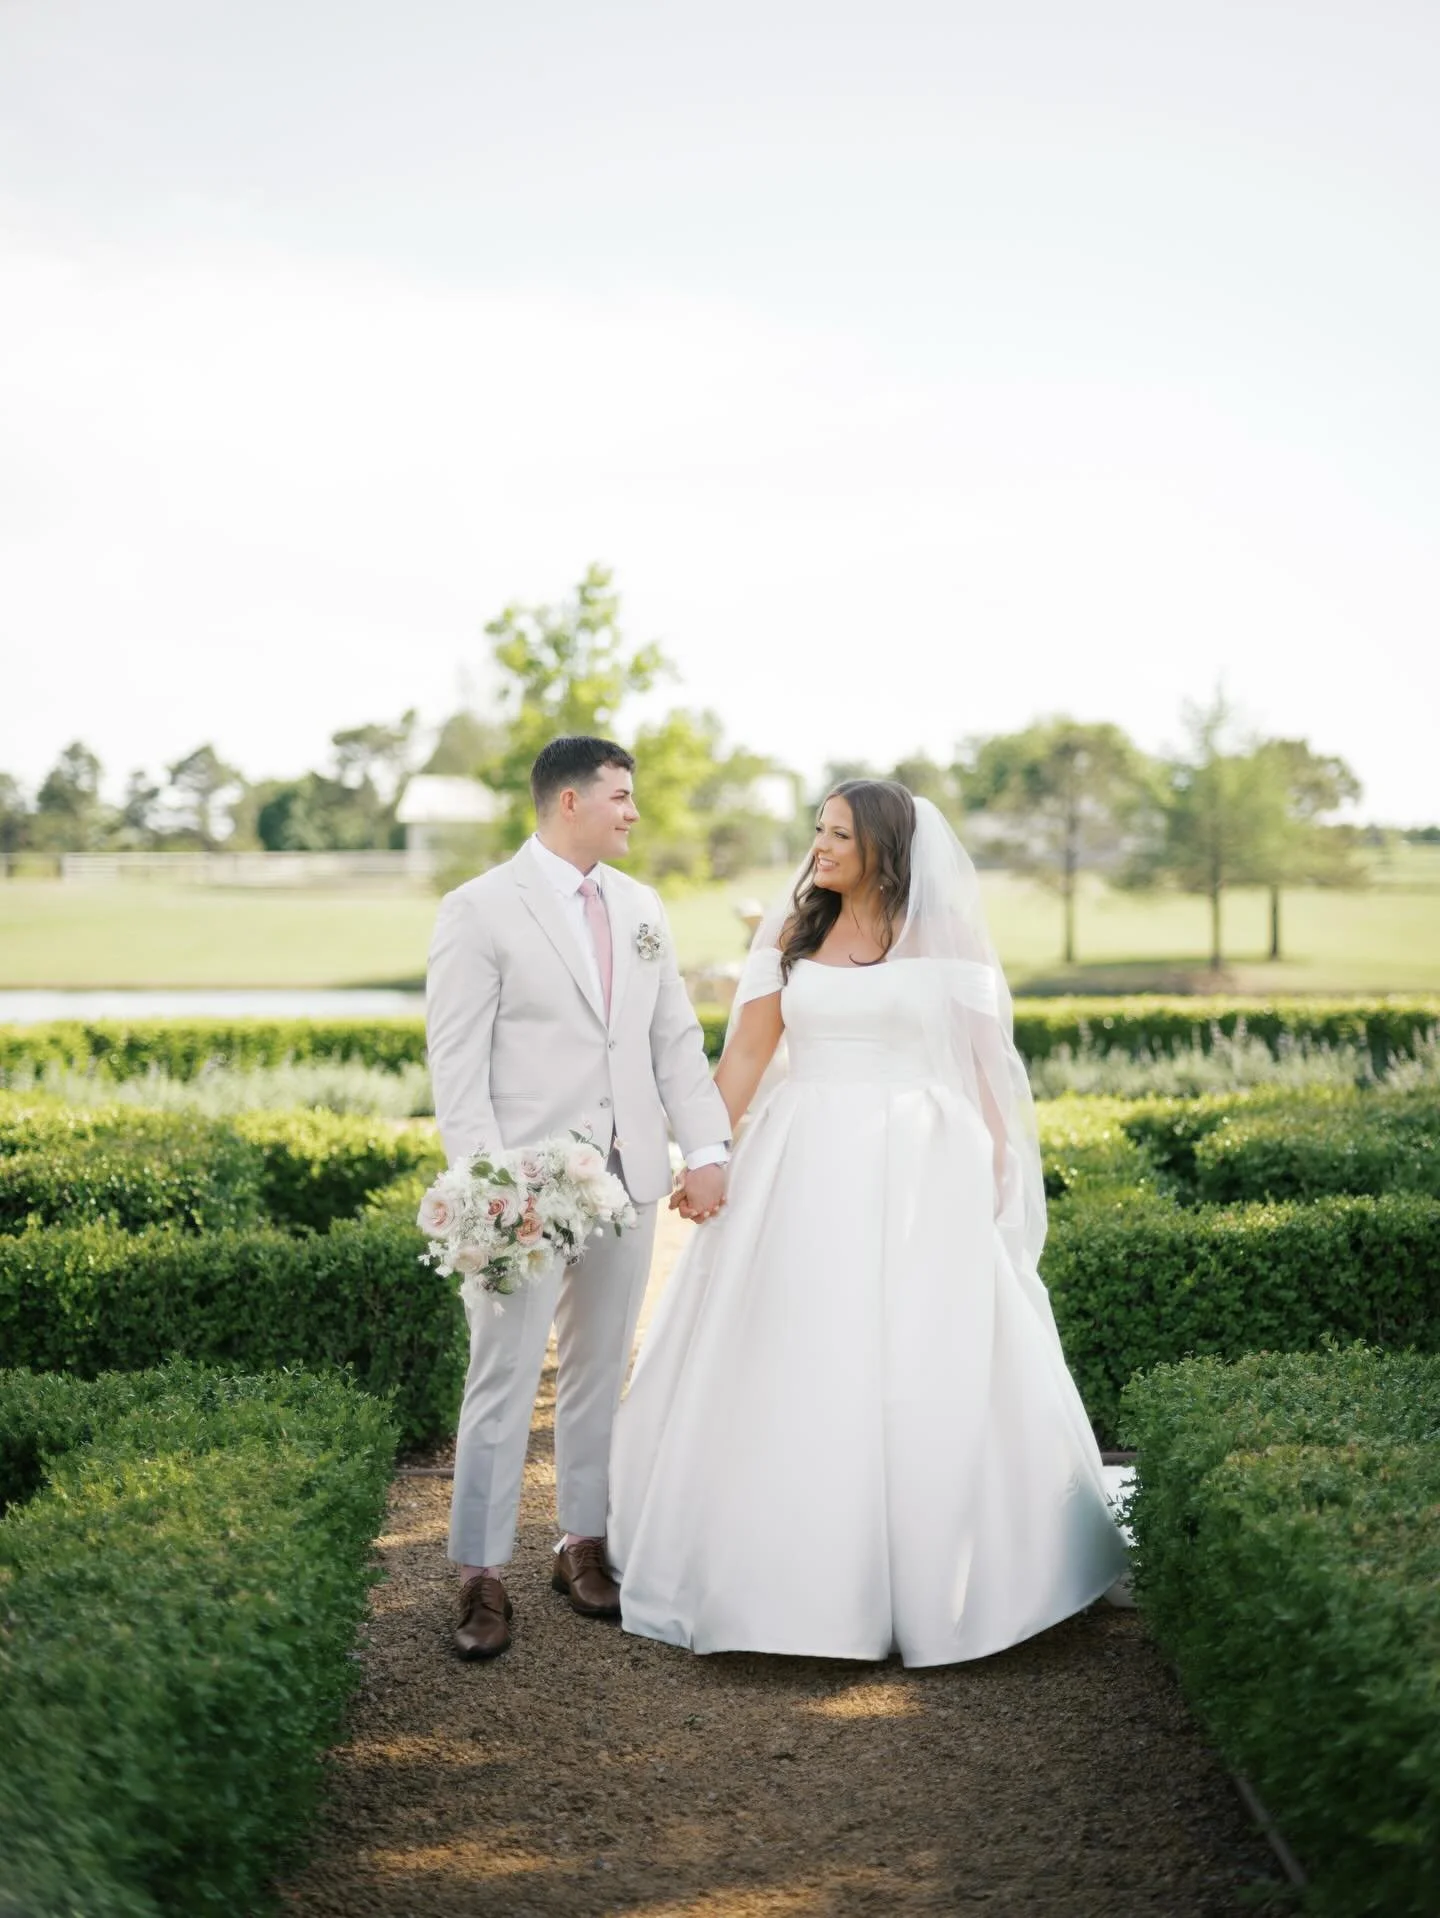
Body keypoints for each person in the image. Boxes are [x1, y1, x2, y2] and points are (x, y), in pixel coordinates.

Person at [608, 779, 1129, 1667]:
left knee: (924, 1351)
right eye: (818, 829)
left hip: (926, 1163)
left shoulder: (948, 934)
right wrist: (704, 1155)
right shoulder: (791, 933)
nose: (820, 846)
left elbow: (986, 1067)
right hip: (803, 1157)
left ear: (885, 845)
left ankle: (947, 1579)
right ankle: (789, 1580)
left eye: (840, 834)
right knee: (802, 1341)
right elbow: (745, 1059)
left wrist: (997, 1166)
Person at [426, 736, 731, 1660]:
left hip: (626, 1179)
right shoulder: (479, 908)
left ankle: (581, 1542)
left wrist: (705, 1147)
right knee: (503, 1377)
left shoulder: (640, 907)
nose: (634, 812)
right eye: (621, 796)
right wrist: (491, 1188)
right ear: (570, 801)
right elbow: (457, 1064)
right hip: (522, 1190)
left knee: (602, 1368)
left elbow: (673, 1039)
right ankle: (481, 1573)